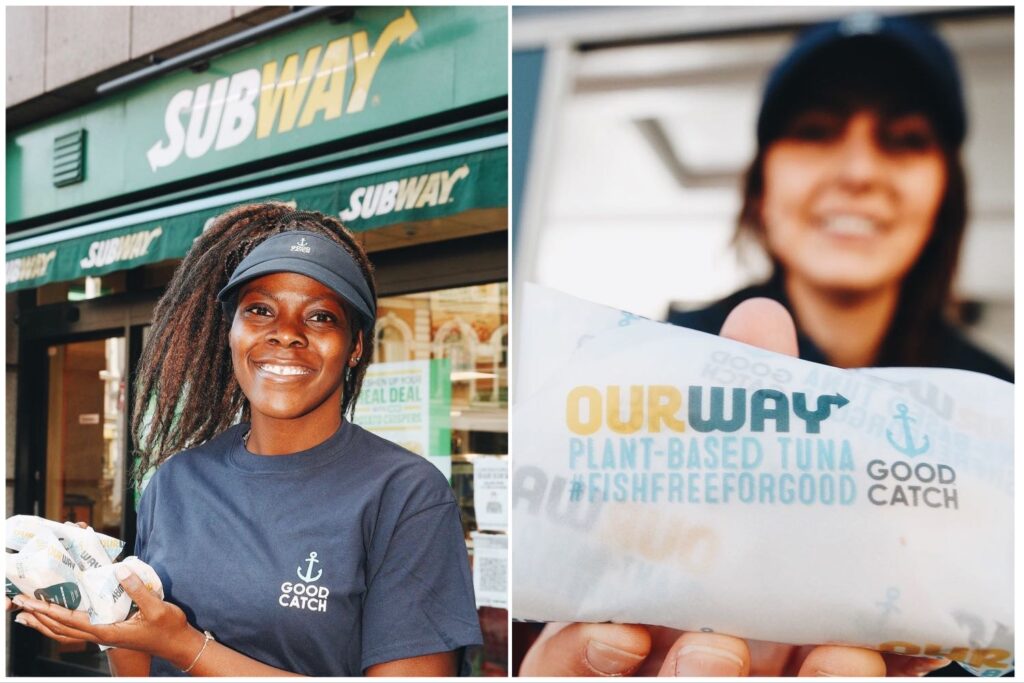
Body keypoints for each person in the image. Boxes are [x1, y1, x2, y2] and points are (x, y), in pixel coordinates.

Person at [517, 13, 1008, 678]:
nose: (859, 169)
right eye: (815, 131)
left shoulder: (998, 417)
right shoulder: (654, 374)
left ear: (945, 188)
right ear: (762, 183)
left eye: (904, 139)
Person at [11, 203, 483, 676]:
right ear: (231, 332)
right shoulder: (177, 482)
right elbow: (141, 667)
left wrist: (188, 648)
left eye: (320, 317)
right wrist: (101, 613)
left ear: (355, 346)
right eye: (260, 310)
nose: (287, 334)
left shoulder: (405, 495)